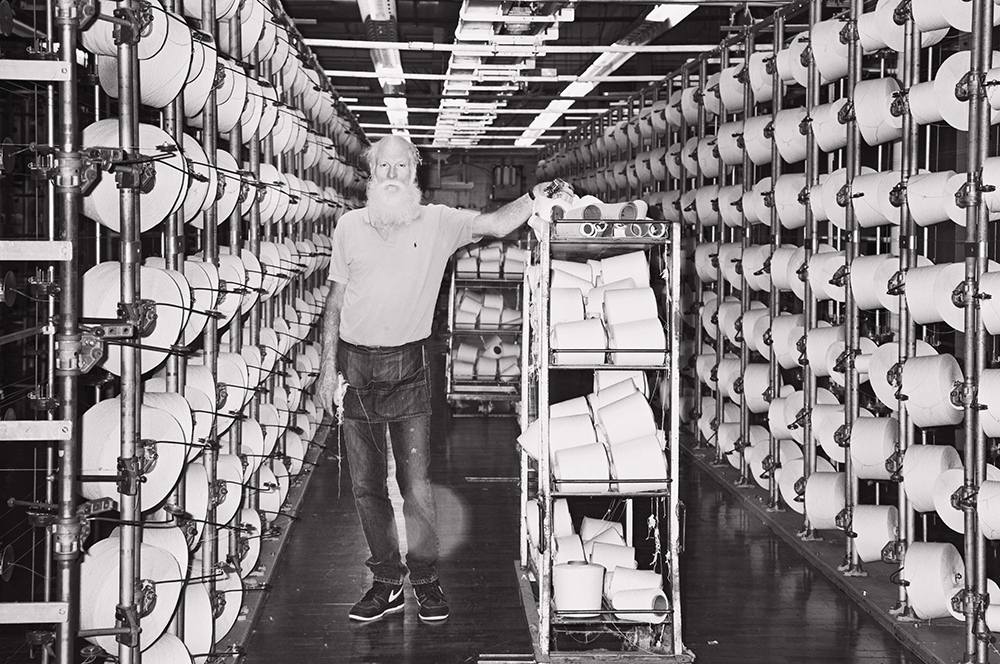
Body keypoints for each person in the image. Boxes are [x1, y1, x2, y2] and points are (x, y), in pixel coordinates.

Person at [316, 134, 568, 623]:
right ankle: (387, 582)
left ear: (416, 172)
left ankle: (426, 579)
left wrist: (537, 195)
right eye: (382, 166)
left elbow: (495, 224)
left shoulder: (438, 222)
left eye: (401, 166)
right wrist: (327, 369)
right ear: (371, 174)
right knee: (368, 486)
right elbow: (334, 301)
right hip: (355, 369)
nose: (392, 174)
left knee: (415, 484)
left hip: (408, 367)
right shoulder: (349, 226)